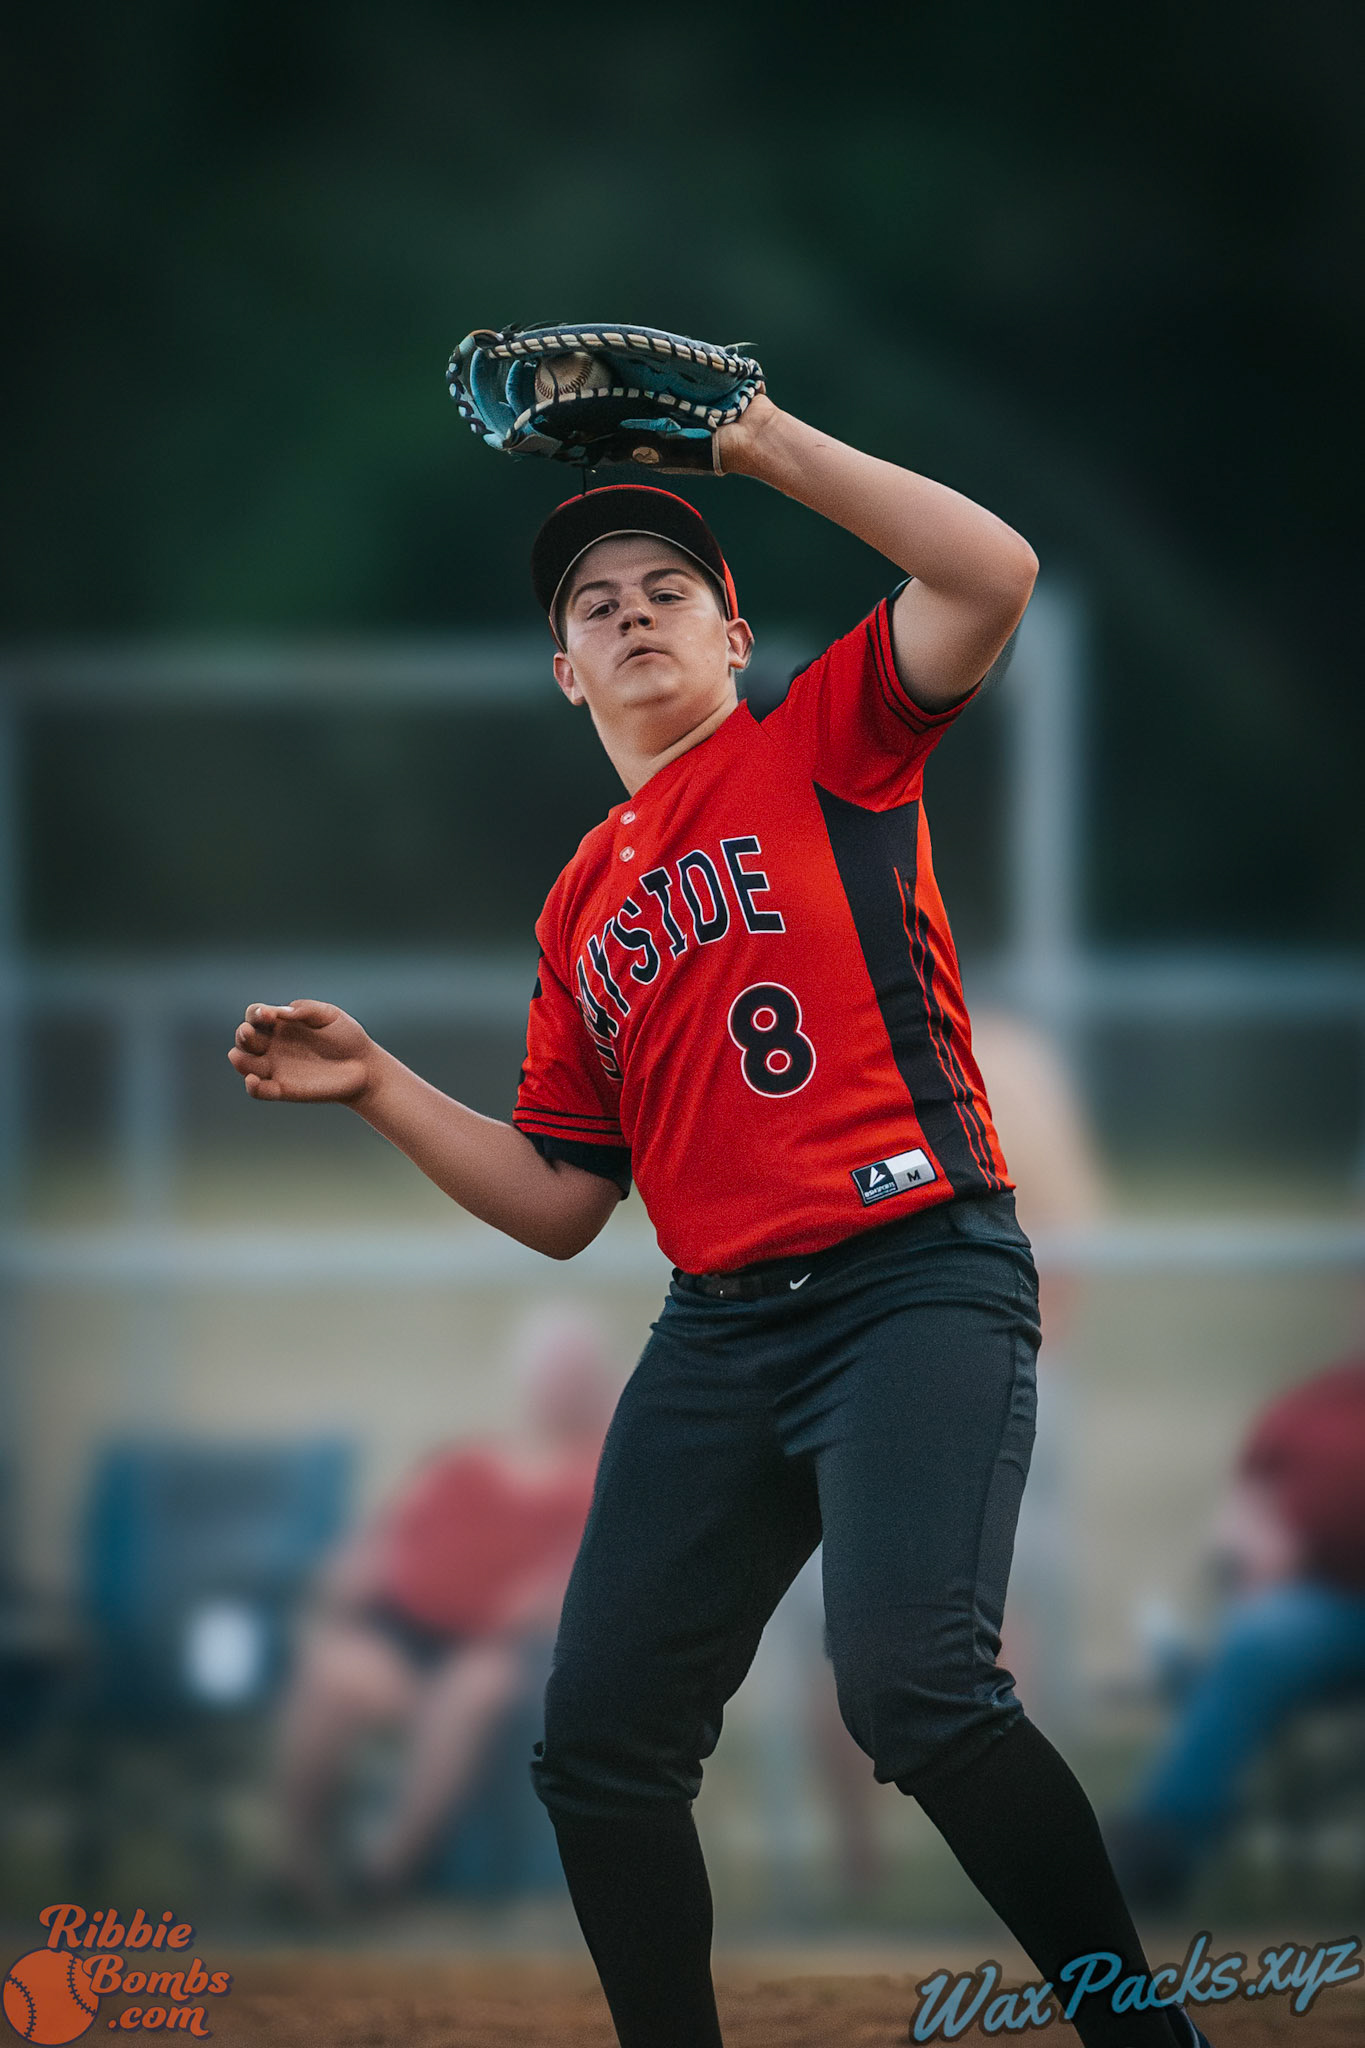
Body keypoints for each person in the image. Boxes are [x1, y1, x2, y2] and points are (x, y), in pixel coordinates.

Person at [229, 391, 1209, 2048]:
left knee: (919, 1693)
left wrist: (752, 443)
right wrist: (384, 1084)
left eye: (665, 588)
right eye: (591, 605)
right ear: (564, 672)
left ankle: (1141, 2026)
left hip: (916, 1277)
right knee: (596, 1741)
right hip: (724, 1324)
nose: (627, 612)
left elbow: (993, 570)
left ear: (737, 631)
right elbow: (559, 1201)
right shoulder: (578, 903)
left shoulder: (820, 740)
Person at [272, 1305, 616, 1908]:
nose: (562, 1389)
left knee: (473, 1691)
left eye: (575, 1375)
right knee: (332, 1674)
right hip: (407, 1631)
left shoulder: (606, 1473)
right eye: (551, 1373)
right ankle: (296, 1869)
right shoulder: (466, 1461)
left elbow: (602, 1575)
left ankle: (386, 1873)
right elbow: (385, 1537)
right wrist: (355, 1573)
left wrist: (547, 1594)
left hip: (505, 1650)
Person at [1108, 1353, 1365, 1908]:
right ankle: (1159, 1843)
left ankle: (1193, 1685)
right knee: (1259, 1636)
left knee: (1247, 1647)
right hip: (1318, 1607)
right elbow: (1243, 1506)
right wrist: (1254, 1544)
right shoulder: (1310, 1405)